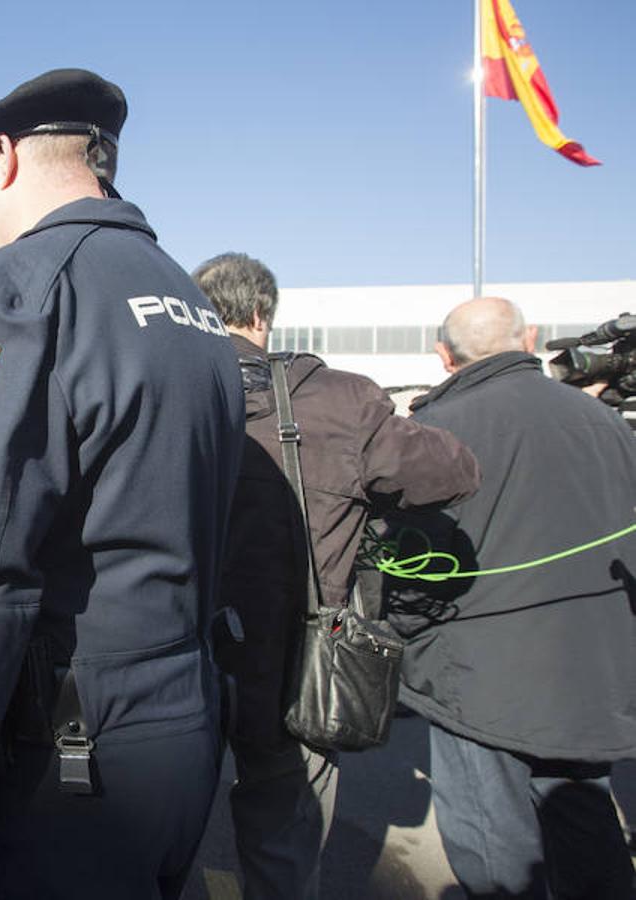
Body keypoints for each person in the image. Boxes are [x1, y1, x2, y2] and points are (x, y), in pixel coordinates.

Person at [0, 69, 246, 899]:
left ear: (1, 158)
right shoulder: (185, 294)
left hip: (70, 759)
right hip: (183, 732)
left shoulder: (20, 288)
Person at [192, 252, 480, 900]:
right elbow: (452, 473)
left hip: (181, 656)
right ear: (262, 313)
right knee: (283, 840)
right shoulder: (339, 398)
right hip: (295, 664)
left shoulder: (162, 387)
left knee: (160, 826)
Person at [384, 296, 636, 899]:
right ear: (532, 340)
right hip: (585, 676)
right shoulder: (604, 422)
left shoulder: (436, 432)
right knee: (586, 830)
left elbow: (401, 567)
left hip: (478, 682)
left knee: (496, 853)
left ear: (444, 356)